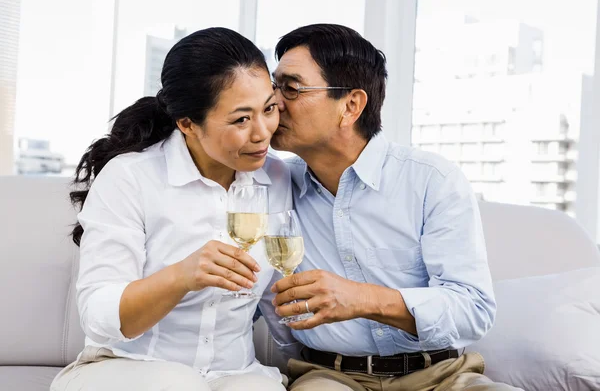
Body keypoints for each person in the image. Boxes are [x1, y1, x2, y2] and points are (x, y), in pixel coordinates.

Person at [266, 24, 522, 391]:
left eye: (290, 88)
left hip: (441, 376)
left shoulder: (432, 179)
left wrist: (360, 298)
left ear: (351, 105)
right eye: (273, 88)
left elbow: (473, 310)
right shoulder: (270, 184)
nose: (273, 102)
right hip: (329, 377)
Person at [50, 27, 293, 391]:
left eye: (269, 109)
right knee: (178, 384)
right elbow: (100, 316)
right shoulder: (131, 177)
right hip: (127, 365)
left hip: (234, 372)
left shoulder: (277, 177)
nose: (262, 132)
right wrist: (182, 276)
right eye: (241, 119)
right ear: (187, 124)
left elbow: (278, 298)